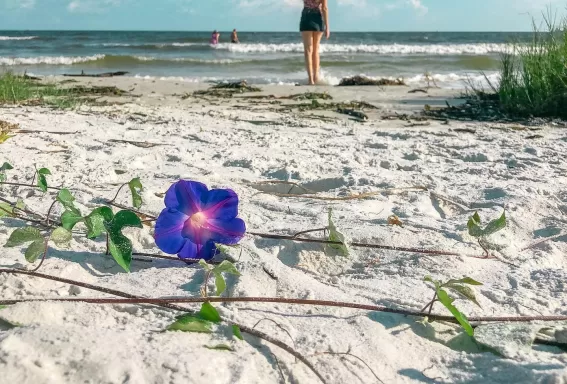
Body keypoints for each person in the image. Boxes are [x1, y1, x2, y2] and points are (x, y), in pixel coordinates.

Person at [299, 0, 329, 85]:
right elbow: (325, 8)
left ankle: (310, 79)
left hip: (306, 18)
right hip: (318, 19)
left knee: (308, 51)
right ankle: (316, 77)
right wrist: (327, 27)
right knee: (316, 50)